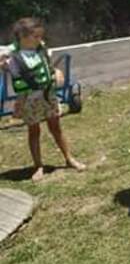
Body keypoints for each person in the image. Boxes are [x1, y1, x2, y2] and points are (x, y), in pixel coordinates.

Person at [2, 18, 85, 181]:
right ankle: (38, 166)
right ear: (22, 37)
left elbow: (48, 66)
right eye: (36, 36)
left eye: (40, 36)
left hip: (47, 95)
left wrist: (55, 73)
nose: (40, 39)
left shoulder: (42, 50)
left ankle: (69, 159)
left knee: (56, 128)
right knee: (34, 131)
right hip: (29, 99)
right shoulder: (12, 56)